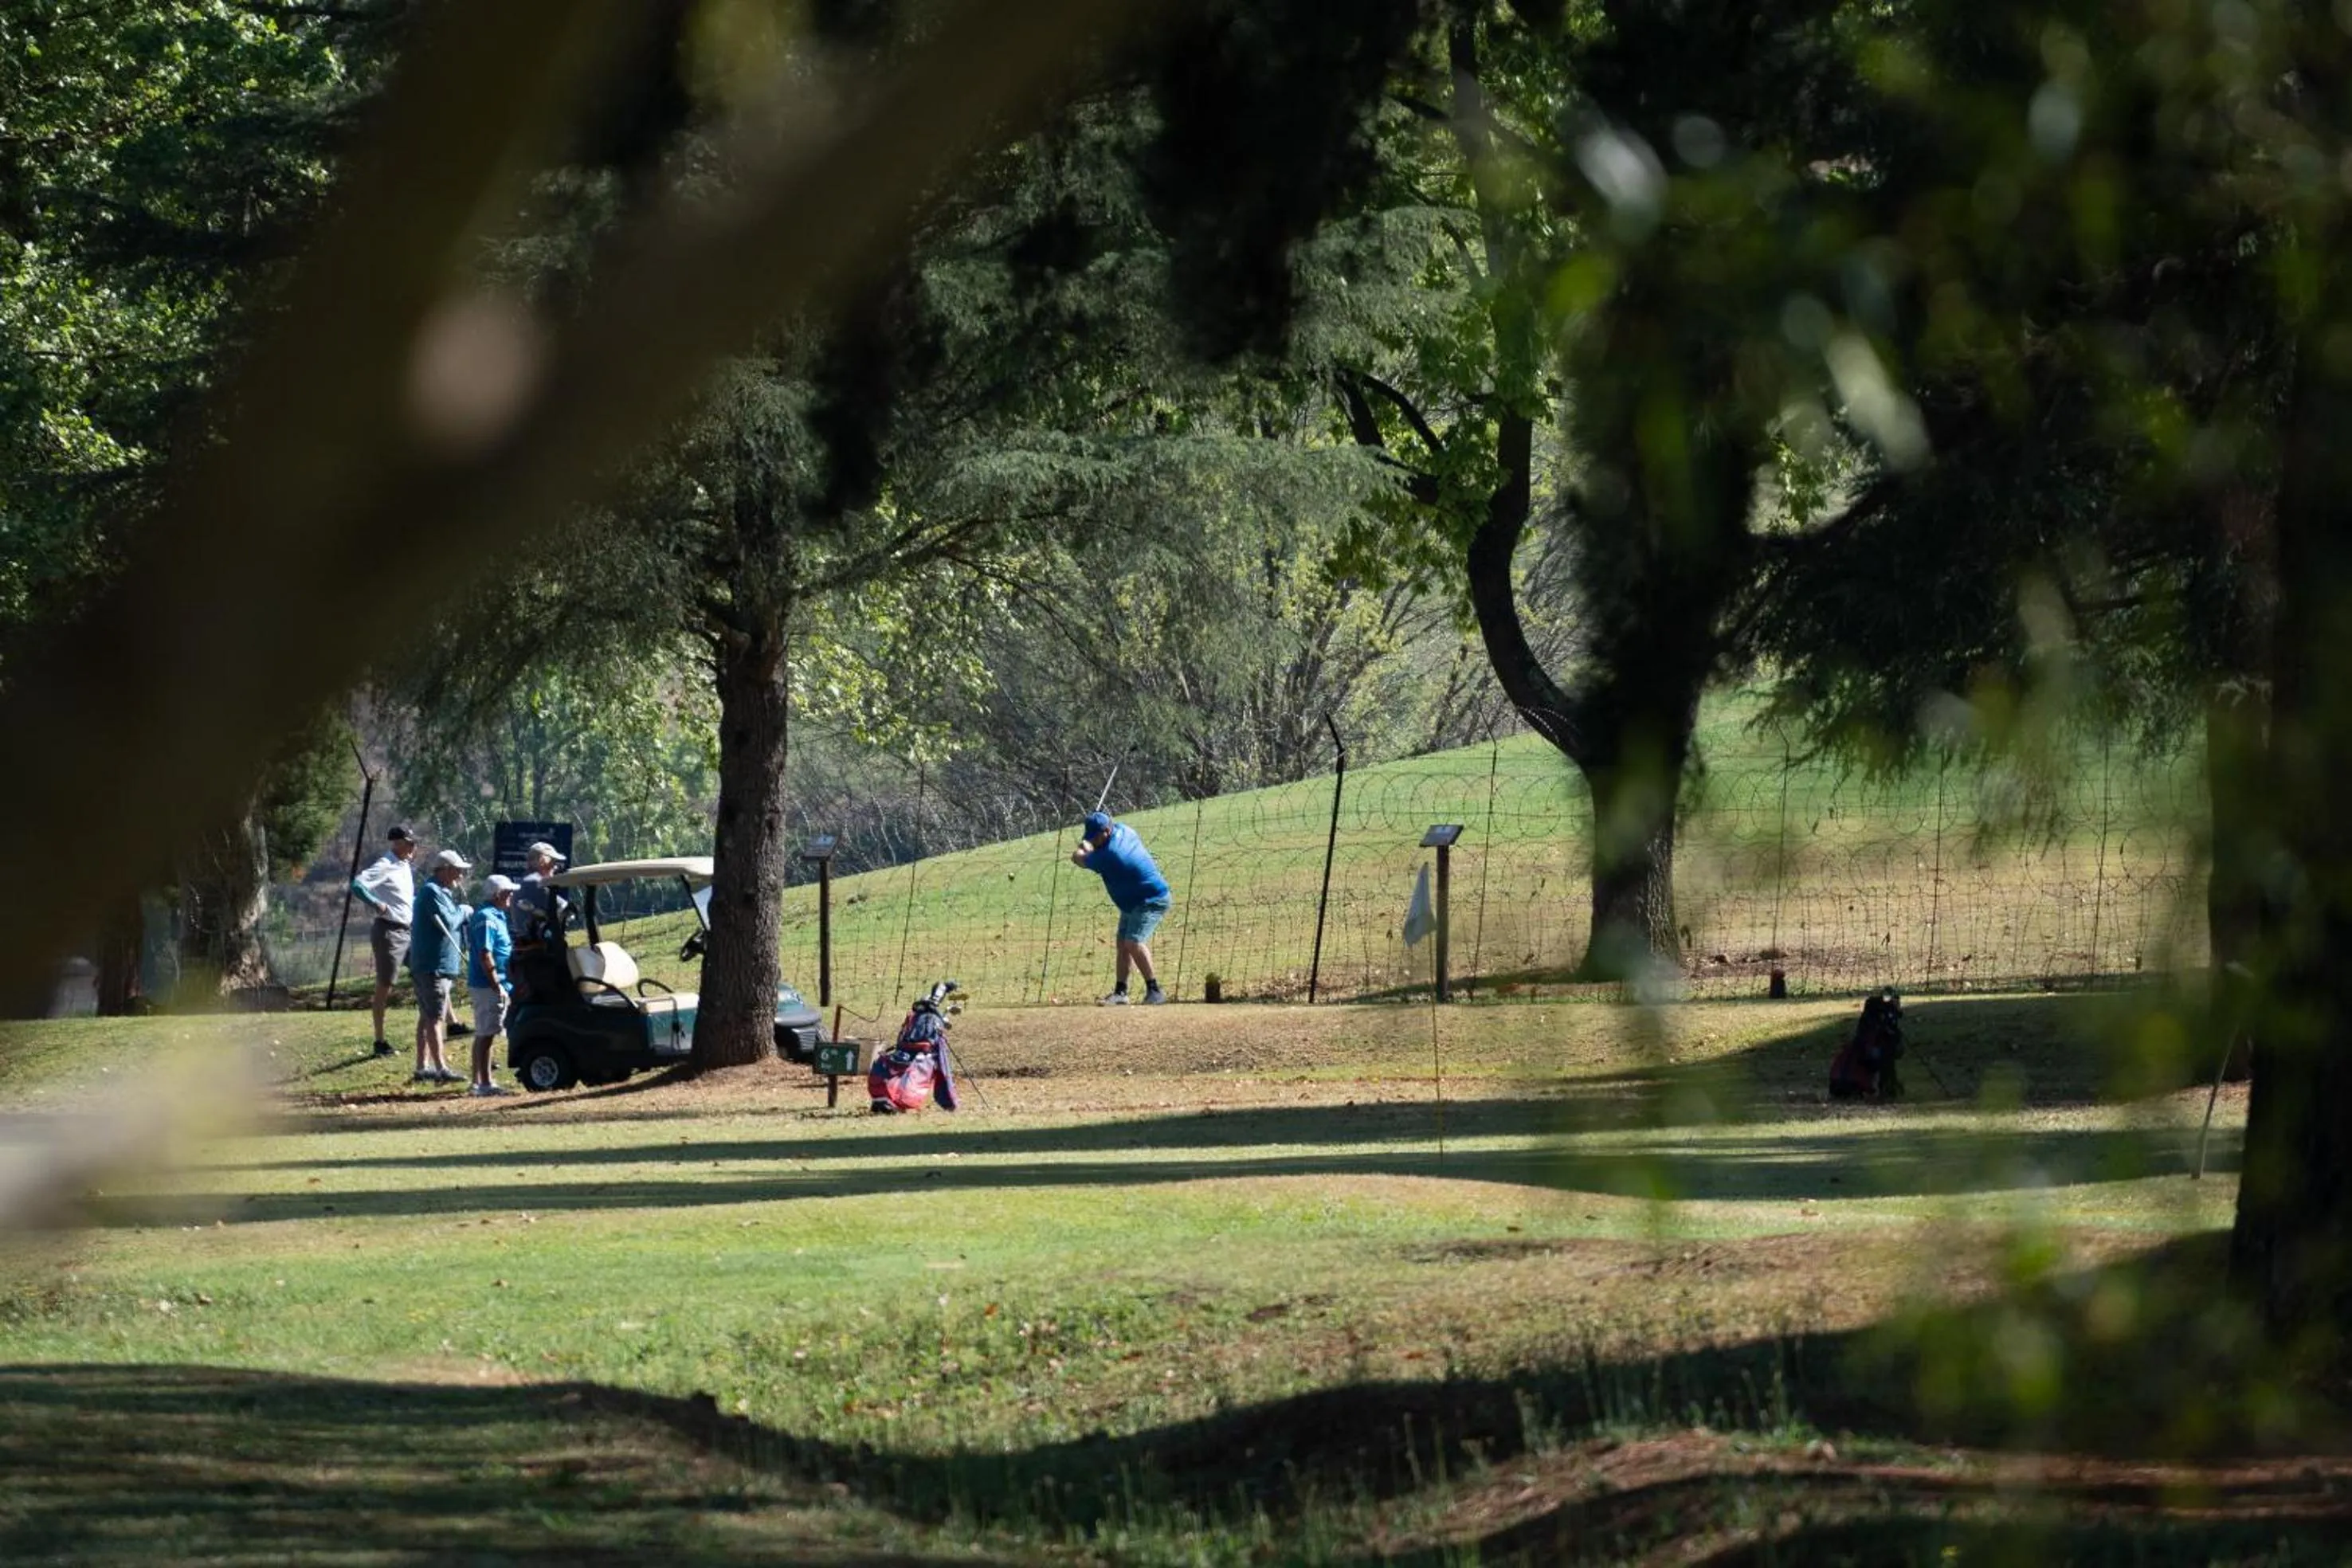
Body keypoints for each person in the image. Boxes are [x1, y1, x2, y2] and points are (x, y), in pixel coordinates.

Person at [1072, 809, 1170, 1005]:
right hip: (1133, 901)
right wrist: (1092, 845)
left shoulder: (1112, 855)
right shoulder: (1125, 830)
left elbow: (1077, 859)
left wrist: (1083, 849)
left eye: (1096, 837)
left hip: (1150, 900)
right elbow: (1097, 847)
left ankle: (1155, 991)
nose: (1094, 840)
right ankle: (1121, 993)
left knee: (1133, 942)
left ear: (1107, 831)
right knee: (1122, 944)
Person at [349, 825, 418, 1057]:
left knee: (427, 971)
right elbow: (357, 885)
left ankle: (452, 1024)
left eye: (412, 843)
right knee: (384, 986)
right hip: (389, 932)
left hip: (409, 931)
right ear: (396, 844)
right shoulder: (386, 864)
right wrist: (375, 903)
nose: (412, 847)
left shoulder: (405, 866)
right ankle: (379, 1042)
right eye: (407, 843)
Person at [406, 847, 470, 1084]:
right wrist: (464, 911)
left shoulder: (441, 892)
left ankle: (422, 1067)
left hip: (437, 965)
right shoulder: (432, 892)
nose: (461, 876)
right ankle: (441, 1069)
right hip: (433, 966)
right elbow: (449, 921)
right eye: (457, 871)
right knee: (434, 1018)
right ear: (444, 870)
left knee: (427, 1016)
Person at [465, 875, 519, 1097]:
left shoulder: (497, 916)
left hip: (497, 983)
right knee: (486, 1033)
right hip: (488, 985)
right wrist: (496, 983)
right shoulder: (486, 918)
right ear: (497, 895)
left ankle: (479, 1081)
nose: (511, 896)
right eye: (508, 892)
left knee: (486, 1032)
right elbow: (485, 953)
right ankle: (484, 1084)